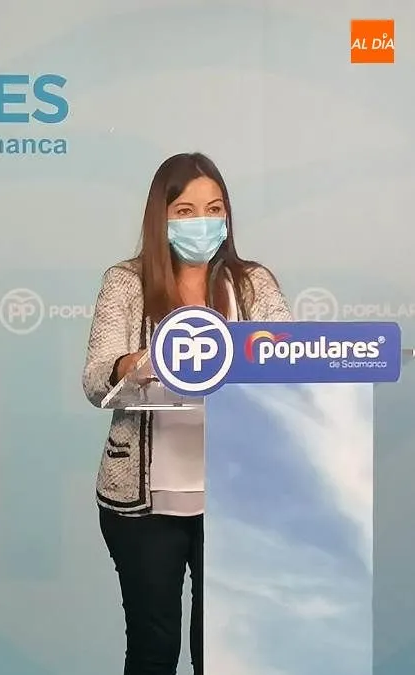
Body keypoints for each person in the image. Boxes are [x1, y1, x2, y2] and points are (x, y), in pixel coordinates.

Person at [81, 152, 292, 675]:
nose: (203, 221)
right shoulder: (126, 282)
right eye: (186, 210)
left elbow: (290, 364)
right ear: (162, 217)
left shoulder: (253, 283)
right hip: (145, 505)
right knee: (153, 649)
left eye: (214, 208)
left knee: (221, 653)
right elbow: (95, 379)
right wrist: (134, 365)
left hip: (235, 500)